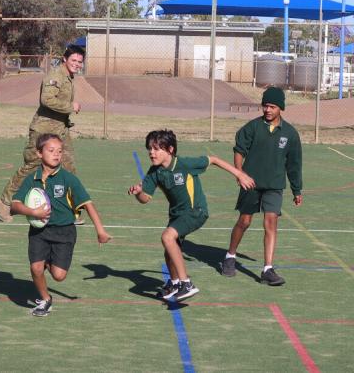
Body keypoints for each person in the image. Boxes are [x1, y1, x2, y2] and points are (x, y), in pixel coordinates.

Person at [128, 130, 255, 302]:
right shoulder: (154, 172)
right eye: (149, 149)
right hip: (177, 215)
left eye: (157, 148)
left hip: (196, 211)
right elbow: (145, 199)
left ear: (170, 150)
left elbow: (214, 160)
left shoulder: (184, 164)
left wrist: (239, 174)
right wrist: (138, 192)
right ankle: (174, 284)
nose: (151, 152)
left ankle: (186, 283)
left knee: (167, 236)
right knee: (169, 251)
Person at [11, 133, 112, 317]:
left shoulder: (68, 178)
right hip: (38, 232)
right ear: (39, 153)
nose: (57, 154)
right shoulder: (31, 179)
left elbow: (88, 203)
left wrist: (100, 230)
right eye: (51, 151)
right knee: (36, 267)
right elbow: (15, 205)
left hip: (64, 232)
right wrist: (33, 212)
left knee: (59, 276)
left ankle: (49, 261)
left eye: (59, 151)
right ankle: (45, 299)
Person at [221, 87, 303, 286]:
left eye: (272, 106)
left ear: (280, 108)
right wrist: (240, 174)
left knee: (271, 221)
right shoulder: (253, 127)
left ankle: (268, 269)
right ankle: (230, 256)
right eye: (265, 106)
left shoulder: (290, 134)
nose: (267, 110)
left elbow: (294, 164)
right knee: (245, 221)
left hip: (274, 185)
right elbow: (239, 151)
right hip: (251, 183)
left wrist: (296, 189)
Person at [0, 45, 85, 223]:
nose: (77, 64)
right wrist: (70, 107)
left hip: (60, 130)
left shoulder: (68, 76)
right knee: (31, 167)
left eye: (80, 61)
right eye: (73, 60)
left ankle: (70, 209)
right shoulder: (56, 75)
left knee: (68, 168)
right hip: (43, 130)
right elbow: (47, 99)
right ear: (65, 59)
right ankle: (4, 203)